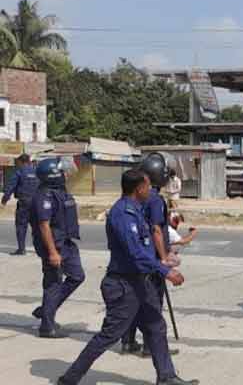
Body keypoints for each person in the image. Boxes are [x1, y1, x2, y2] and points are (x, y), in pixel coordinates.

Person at [58, 170, 198, 385]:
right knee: (109, 335)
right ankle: (70, 378)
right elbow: (135, 253)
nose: (150, 189)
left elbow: (147, 245)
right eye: (148, 185)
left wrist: (164, 258)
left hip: (141, 282)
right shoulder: (122, 214)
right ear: (139, 188)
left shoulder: (136, 210)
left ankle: (167, 376)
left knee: (155, 326)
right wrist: (166, 271)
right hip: (123, 285)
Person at [122, 153, 177, 356]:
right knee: (153, 302)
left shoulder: (136, 195)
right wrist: (163, 257)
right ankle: (150, 345)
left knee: (136, 299)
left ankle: (127, 340)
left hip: (139, 255)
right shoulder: (155, 199)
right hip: (151, 256)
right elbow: (156, 229)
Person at [29, 158, 85, 338]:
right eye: (63, 172)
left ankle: (47, 309)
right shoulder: (43, 196)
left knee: (77, 276)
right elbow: (44, 225)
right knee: (53, 283)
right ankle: (47, 327)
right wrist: (52, 252)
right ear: (53, 175)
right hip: (54, 246)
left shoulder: (59, 191)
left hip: (66, 242)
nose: (66, 175)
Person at [2, 154, 39, 255]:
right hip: (36, 202)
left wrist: (4, 200)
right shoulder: (36, 172)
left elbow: (11, 187)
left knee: (21, 226)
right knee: (36, 227)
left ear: (21, 162)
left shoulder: (19, 172)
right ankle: (40, 249)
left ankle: (21, 249)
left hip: (24, 202)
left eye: (17, 162)